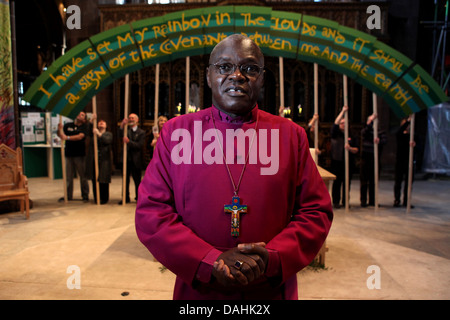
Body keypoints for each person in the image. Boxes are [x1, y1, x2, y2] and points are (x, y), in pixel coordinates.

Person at [135, 34, 333, 300]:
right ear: (208, 76)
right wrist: (208, 260)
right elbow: (152, 212)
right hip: (200, 290)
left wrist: (273, 258)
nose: (237, 75)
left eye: (250, 68)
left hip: (270, 290)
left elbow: (316, 211)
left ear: (262, 79)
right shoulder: (177, 133)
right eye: (224, 67)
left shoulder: (290, 136)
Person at [330, 105, 359, 208]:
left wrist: (350, 148)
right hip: (337, 161)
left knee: (347, 183)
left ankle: (345, 201)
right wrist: (343, 111)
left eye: (344, 123)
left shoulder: (352, 134)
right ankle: (336, 201)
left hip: (348, 162)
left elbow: (356, 149)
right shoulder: (336, 133)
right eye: (341, 123)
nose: (342, 125)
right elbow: (335, 123)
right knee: (337, 183)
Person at [57, 111, 89, 202]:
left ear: (84, 118)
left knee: (83, 176)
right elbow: (61, 135)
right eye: (79, 113)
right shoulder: (67, 125)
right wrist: (59, 129)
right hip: (69, 154)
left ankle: (85, 195)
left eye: (82, 115)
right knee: (68, 177)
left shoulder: (84, 127)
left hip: (80, 154)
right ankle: (68, 195)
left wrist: (67, 138)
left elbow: (80, 136)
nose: (80, 115)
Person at [360, 113, 387, 207]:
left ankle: (372, 200)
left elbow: (385, 140)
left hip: (375, 158)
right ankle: (363, 200)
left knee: (374, 181)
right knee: (364, 180)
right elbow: (364, 133)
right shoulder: (366, 130)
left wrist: (379, 141)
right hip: (366, 158)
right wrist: (369, 123)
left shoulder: (380, 132)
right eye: (372, 121)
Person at [86, 115, 113, 204]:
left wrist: (99, 134)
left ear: (106, 125)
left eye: (103, 122)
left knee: (103, 180)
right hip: (94, 159)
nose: (101, 123)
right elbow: (86, 131)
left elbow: (107, 140)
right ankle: (96, 197)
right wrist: (91, 121)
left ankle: (104, 198)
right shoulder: (93, 134)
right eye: (99, 122)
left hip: (104, 160)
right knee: (94, 179)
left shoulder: (108, 134)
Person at [119, 113, 145, 204]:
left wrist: (129, 142)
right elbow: (120, 135)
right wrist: (122, 125)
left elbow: (139, 145)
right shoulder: (126, 130)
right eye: (129, 118)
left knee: (137, 180)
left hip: (136, 159)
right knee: (125, 179)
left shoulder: (141, 132)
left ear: (137, 120)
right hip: (126, 159)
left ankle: (139, 198)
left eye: (132, 118)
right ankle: (125, 197)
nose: (131, 119)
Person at [393, 115, 416, 207]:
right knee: (398, 181)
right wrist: (408, 120)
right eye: (406, 125)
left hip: (410, 162)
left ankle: (406, 201)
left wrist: (415, 145)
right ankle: (397, 200)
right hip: (400, 161)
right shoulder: (400, 135)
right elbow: (399, 132)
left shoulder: (413, 136)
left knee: (409, 183)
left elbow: (419, 147)